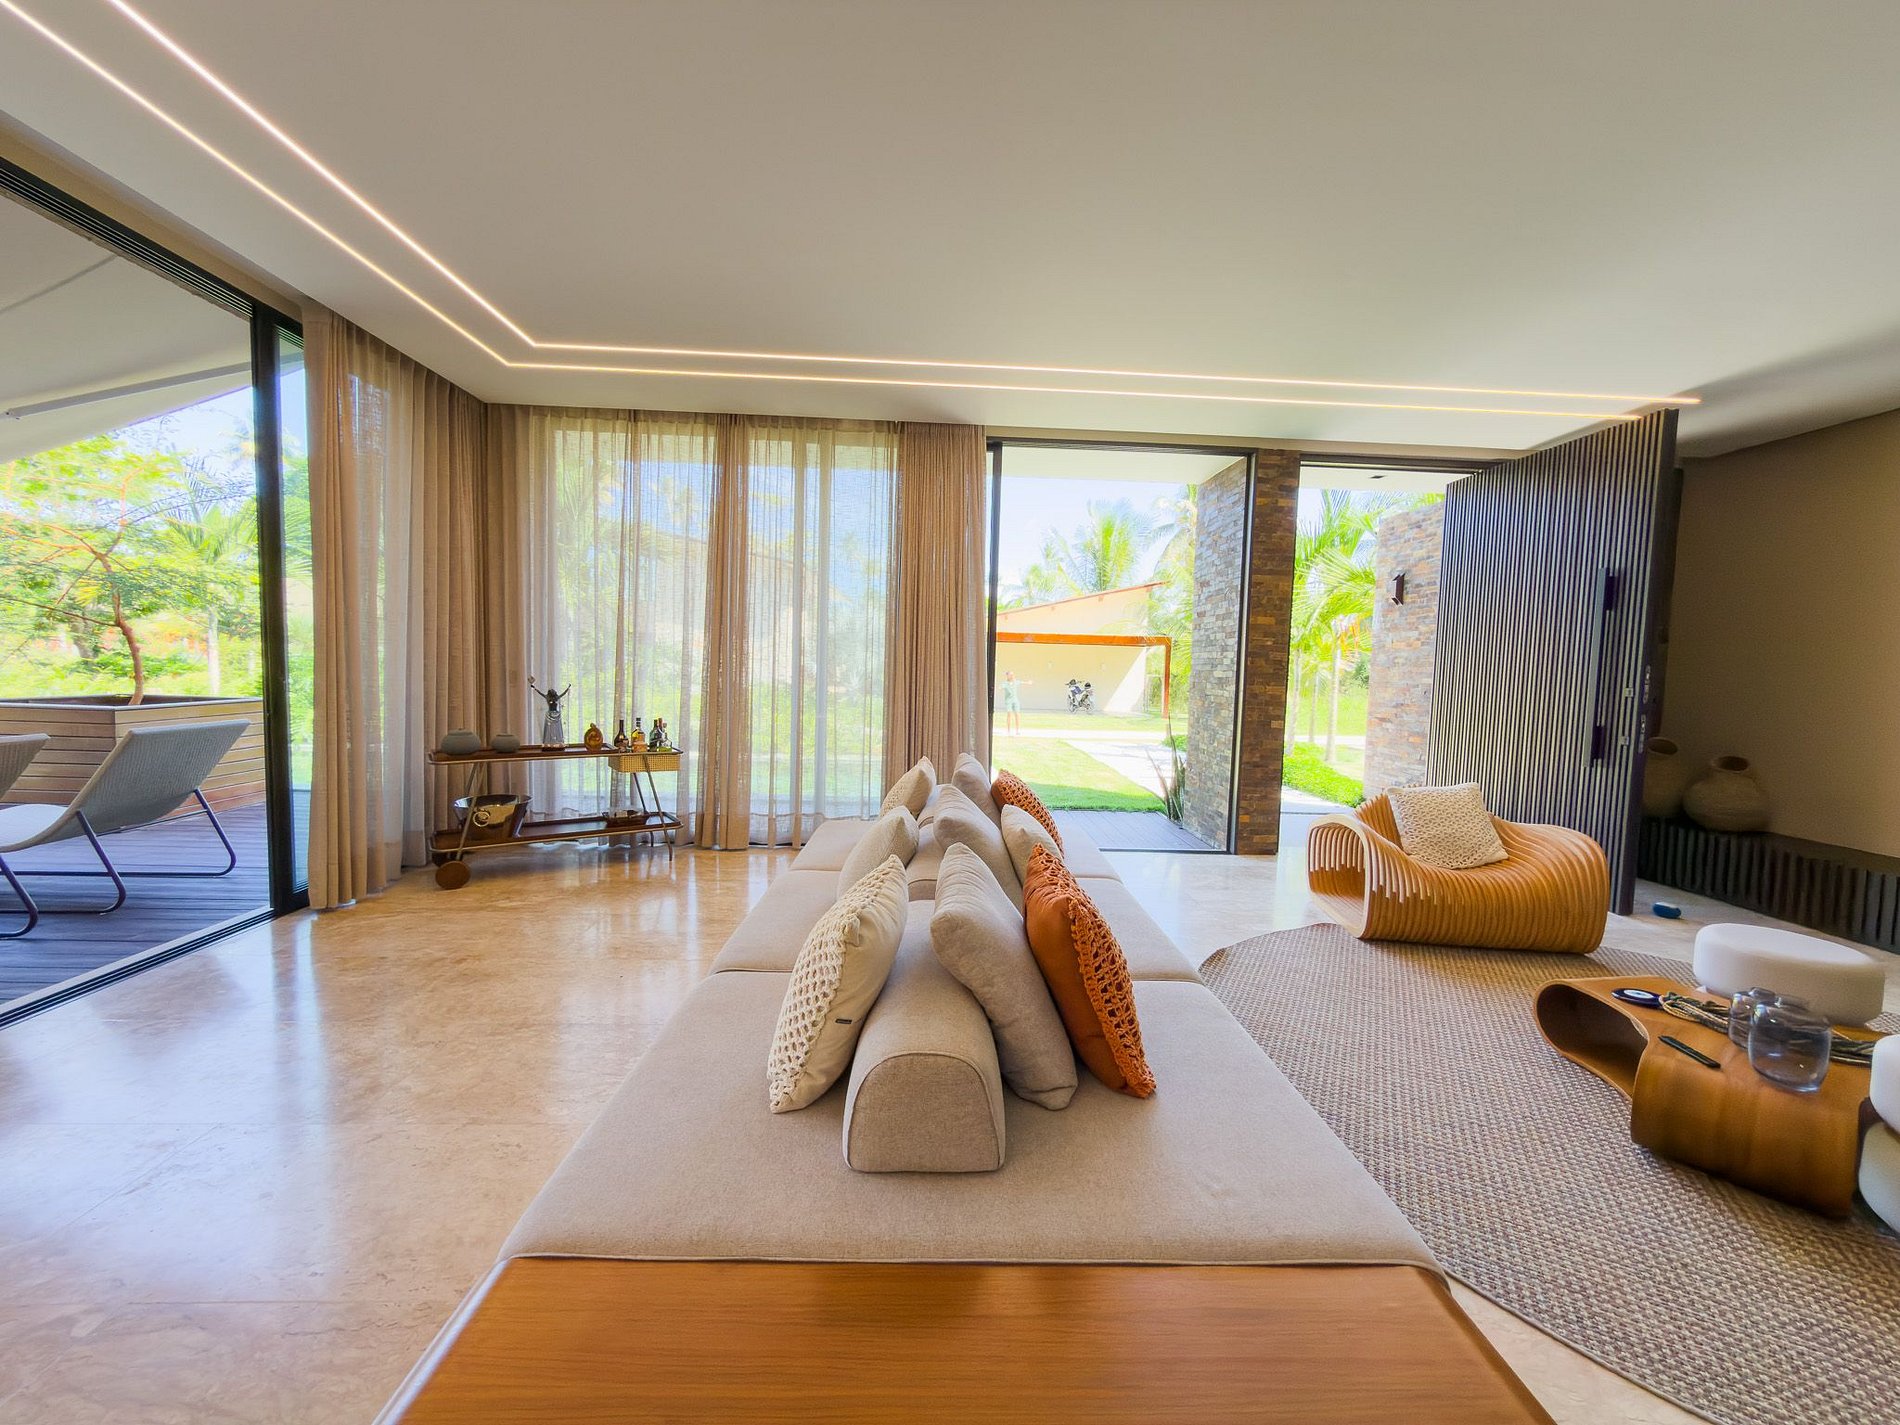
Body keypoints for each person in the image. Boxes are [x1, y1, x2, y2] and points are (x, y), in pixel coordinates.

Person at [999, 669, 1027, 736]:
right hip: (1008, 701)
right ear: (1007, 676)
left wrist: (1028, 682)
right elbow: (1000, 687)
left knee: (1017, 714)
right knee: (1009, 714)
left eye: (1012, 675)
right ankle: (1008, 731)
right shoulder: (1005, 683)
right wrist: (1000, 687)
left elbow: (1022, 682)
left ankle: (1017, 730)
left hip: (1015, 700)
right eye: (1010, 675)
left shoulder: (1015, 682)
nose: (1012, 676)